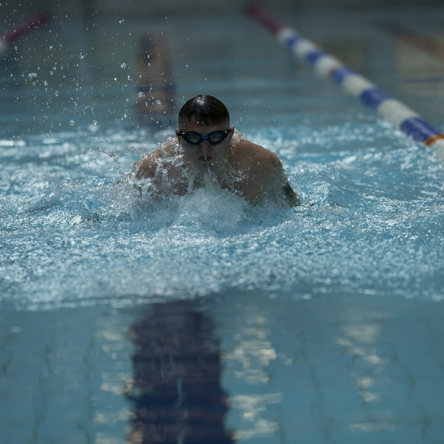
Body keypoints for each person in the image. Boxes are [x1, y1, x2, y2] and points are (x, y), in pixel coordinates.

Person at [132, 94, 300, 207]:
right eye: (193, 138)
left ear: (230, 136)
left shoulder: (262, 165)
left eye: (215, 137)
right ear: (179, 138)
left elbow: (293, 207)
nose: (204, 148)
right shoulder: (153, 171)